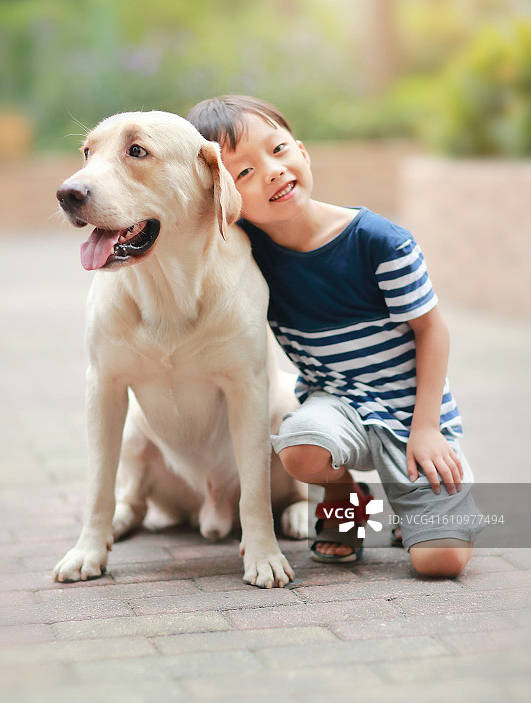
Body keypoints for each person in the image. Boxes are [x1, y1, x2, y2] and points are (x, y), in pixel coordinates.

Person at [187, 95, 482, 577]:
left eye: (278, 149)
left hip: (411, 415)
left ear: (303, 151)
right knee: (297, 446)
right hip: (337, 407)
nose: (272, 172)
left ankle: (426, 506)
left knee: (440, 562)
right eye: (242, 173)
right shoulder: (248, 255)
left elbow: (432, 331)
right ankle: (349, 501)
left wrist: (427, 428)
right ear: (226, 197)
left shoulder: (381, 242)